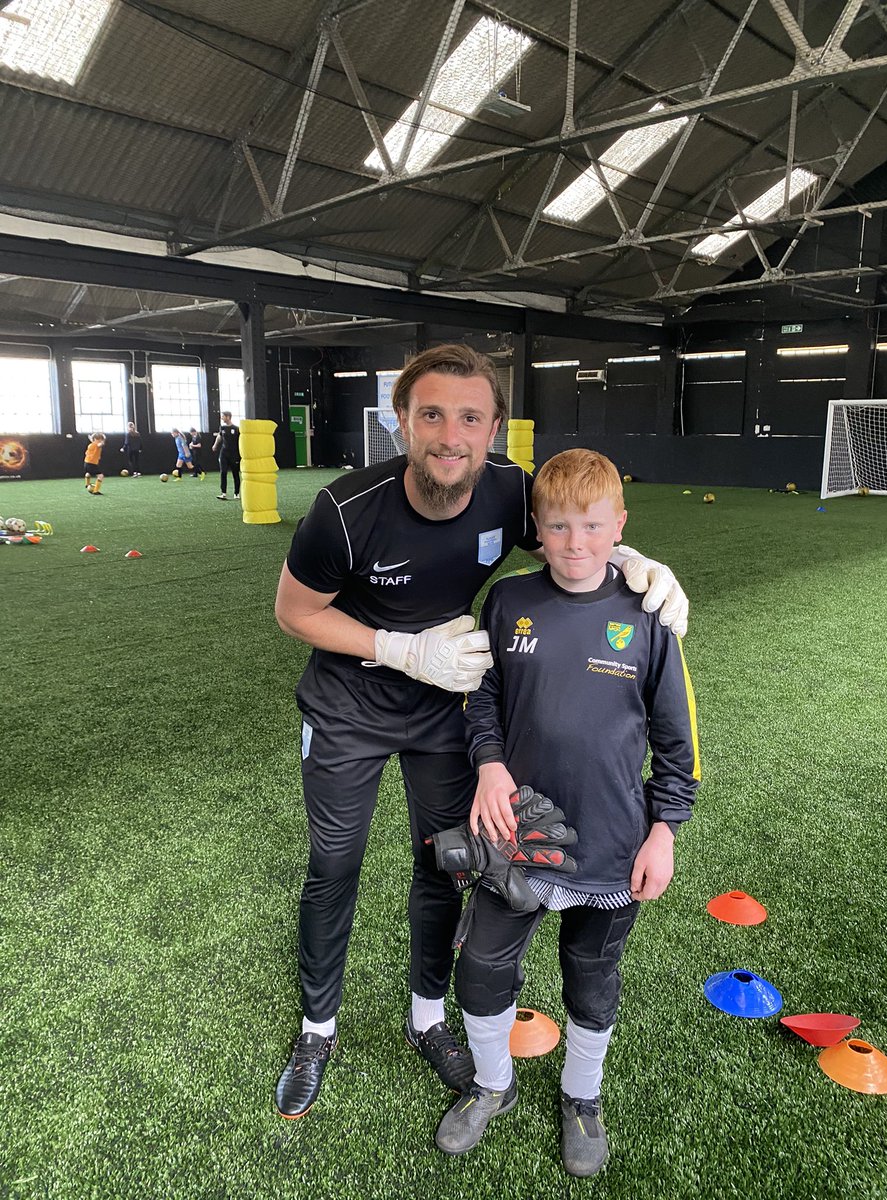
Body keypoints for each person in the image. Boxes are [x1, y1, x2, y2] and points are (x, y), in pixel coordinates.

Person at [272, 345, 690, 1122]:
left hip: (445, 706)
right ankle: (315, 1030)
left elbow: (573, 539)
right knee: (335, 865)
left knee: (442, 865)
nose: (450, 434)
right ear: (401, 420)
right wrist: (398, 649)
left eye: (470, 417)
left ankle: (427, 1017)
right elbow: (294, 612)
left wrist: (635, 561)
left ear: (494, 428)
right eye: (431, 413)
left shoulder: (508, 490)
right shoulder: (342, 509)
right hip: (349, 707)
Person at [434, 448, 700, 1177]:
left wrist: (664, 833)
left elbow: (680, 743)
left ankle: (581, 1098)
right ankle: (494, 1085)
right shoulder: (510, 601)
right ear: (537, 530)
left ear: (620, 525)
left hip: (613, 844)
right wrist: (489, 763)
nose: (575, 543)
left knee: (592, 976)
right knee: (483, 971)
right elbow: (482, 698)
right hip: (515, 835)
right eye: (557, 526)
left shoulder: (646, 618)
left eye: (590, 525)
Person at [212, 411, 240, 500]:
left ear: (228, 417)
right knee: (223, 472)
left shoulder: (236, 428)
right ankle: (223, 493)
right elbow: (219, 437)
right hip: (224, 453)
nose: (222, 418)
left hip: (234, 454)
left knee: (235, 473)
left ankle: (236, 493)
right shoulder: (222, 427)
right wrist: (215, 445)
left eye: (223, 416)